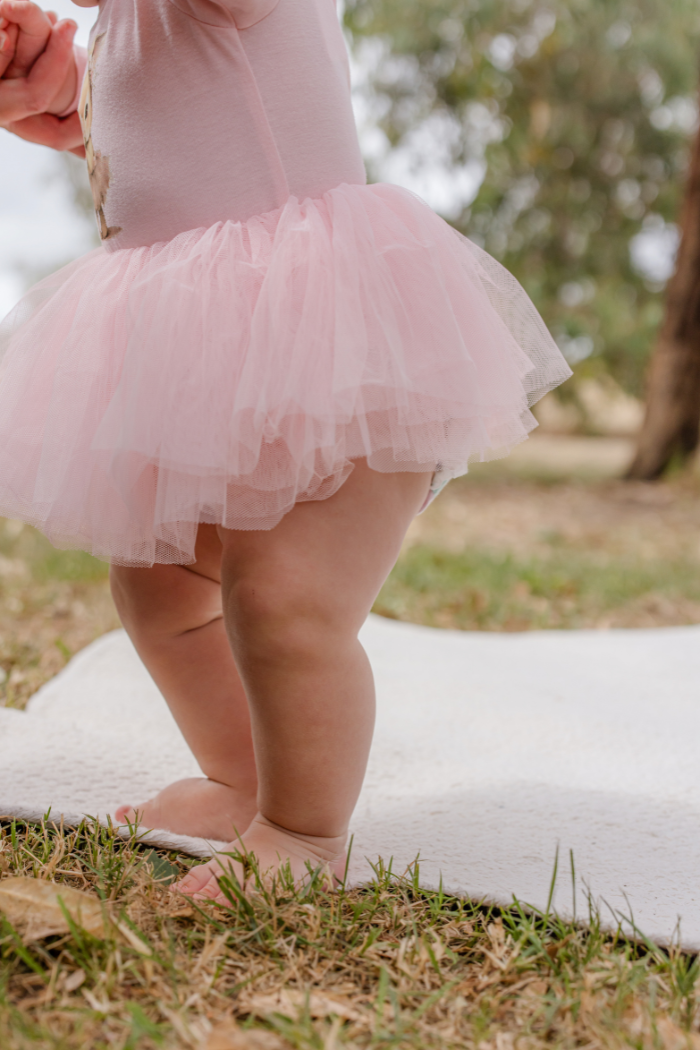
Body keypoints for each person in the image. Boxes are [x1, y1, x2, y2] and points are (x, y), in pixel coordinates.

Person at [0, 0, 570, 900]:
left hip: (324, 347)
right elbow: (190, 110)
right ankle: (244, 782)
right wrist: (73, 95)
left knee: (282, 598)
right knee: (160, 585)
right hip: (197, 359)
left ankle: (305, 834)